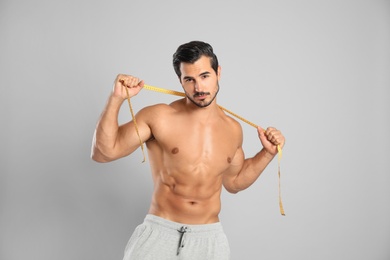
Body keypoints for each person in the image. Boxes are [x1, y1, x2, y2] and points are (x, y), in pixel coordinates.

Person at [91, 41, 285, 260]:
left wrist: (267, 153)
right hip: (160, 233)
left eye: (204, 76)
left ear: (218, 73)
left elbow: (234, 182)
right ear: (180, 80)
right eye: (189, 80)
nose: (199, 88)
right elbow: (103, 153)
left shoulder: (233, 129)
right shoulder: (159, 117)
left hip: (209, 239)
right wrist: (116, 98)